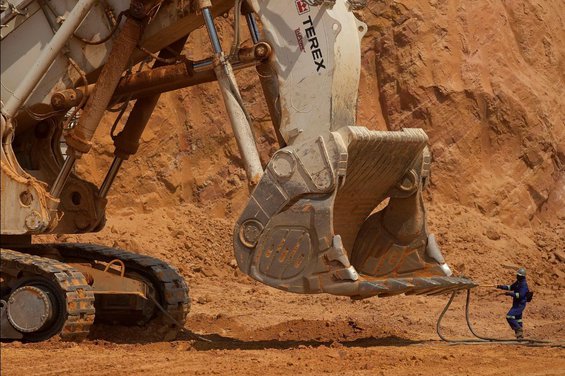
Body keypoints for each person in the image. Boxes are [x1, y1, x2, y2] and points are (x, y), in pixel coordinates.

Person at [497, 267, 529, 339]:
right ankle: (520, 336)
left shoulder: (523, 284)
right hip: (516, 304)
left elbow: (520, 295)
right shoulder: (518, 282)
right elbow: (511, 287)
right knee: (518, 319)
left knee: (509, 316)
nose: (517, 276)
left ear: (522, 276)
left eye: (518, 275)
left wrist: (510, 294)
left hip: (520, 305)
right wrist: (501, 287)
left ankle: (518, 329)